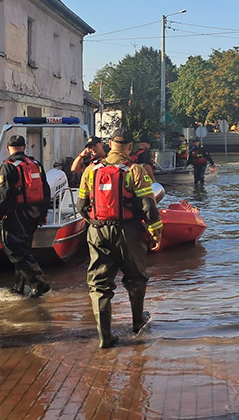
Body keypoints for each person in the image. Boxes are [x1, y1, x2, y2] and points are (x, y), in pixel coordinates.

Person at [77, 128, 162, 349]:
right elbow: (148, 206)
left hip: (97, 231)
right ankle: (137, 322)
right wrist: (155, 233)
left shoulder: (91, 170)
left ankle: (105, 335)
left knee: (99, 285)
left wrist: (95, 226)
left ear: (110, 145)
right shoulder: (135, 170)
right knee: (135, 278)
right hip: (128, 232)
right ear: (129, 147)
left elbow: (80, 206)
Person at [0, 135, 52, 297]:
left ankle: (38, 282)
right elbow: (46, 190)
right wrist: (43, 213)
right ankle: (19, 287)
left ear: (7, 148)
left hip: (15, 214)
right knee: (24, 248)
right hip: (34, 213)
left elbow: (1, 194)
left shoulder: (8, 166)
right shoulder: (36, 164)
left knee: (13, 250)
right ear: (25, 147)